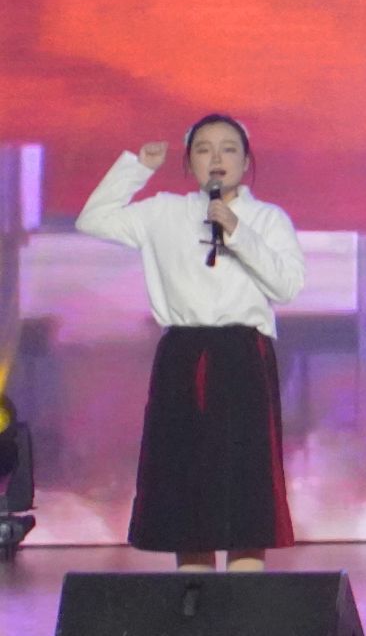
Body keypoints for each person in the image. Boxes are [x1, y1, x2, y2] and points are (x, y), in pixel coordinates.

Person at [75, 114, 304, 571]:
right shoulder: (163, 211)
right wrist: (137, 169)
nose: (216, 158)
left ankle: (244, 605)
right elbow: (92, 219)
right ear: (189, 162)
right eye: (203, 149)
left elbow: (288, 286)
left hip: (243, 357)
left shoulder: (268, 218)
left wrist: (237, 231)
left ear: (246, 161)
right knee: (187, 491)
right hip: (182, 356)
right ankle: (196, 601)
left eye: (228, 148)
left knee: (244, 489)